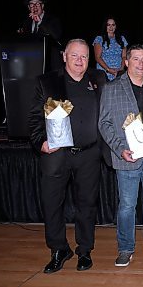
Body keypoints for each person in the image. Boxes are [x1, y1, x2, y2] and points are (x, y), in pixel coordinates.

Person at [28, 39, 108, 273]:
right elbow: (33, 118)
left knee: (87, 205)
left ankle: (84, 250)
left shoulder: (98, 80)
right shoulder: (47, 81)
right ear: (64, 56)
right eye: (75, 56)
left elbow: (119, 94)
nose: (80, 61)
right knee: (53, 204)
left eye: (84, 56)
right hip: (57, 154)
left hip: (89, 154)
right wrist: (40, 142)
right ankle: (58, 249)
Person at [98, 44, 143, 267]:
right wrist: (120, 150)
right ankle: (126, 248)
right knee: (127, 205)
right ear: (126, 62)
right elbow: (104, 124)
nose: (140, 63)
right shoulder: (112, 88)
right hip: (130, 157)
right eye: (135, 59)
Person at [18, 0, 63, 70]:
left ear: (42, 6)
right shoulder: (26, 23)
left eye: (38, 4)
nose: (35, 6)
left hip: (50, 65)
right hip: (32, 63)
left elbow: (56, 36)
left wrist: (40, 22)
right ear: (29, 8)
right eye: (32, 4)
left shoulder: (53, 20)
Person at [93, 16, 128, 81]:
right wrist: (108, 69)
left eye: (113, 25)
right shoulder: (99, 39)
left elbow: (124, 56)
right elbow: (98, 57)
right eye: (108, 25)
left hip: (119, 72)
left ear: (116, 26)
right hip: (104, 72)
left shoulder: (122, 39)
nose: (111, 27)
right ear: (105, 26)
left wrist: (121, 69)